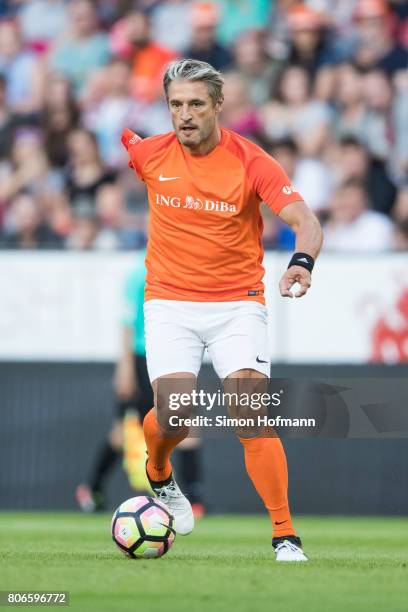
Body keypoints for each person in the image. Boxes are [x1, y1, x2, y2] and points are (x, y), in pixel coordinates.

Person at [121, 59, 323, 562]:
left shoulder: (252, 162)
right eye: (175, 105)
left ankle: (284, 534)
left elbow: (307, 221)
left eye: (194, 104)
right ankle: (161, 472)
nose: (184, 115)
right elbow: (130, 146)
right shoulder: (149, 154)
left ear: (217, 106)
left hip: (238, 303)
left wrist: (302, 262)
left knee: (251, 411)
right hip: (169, 301)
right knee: (176, 414)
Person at [76, 254, 205, 514]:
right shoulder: (139, 274)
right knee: (122, 434)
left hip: (171, 359)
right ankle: (92, 488)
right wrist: (125, 369)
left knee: (187, 428)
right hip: (140, 360)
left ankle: (193, 498)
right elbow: (126, 324)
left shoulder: (183, 268)